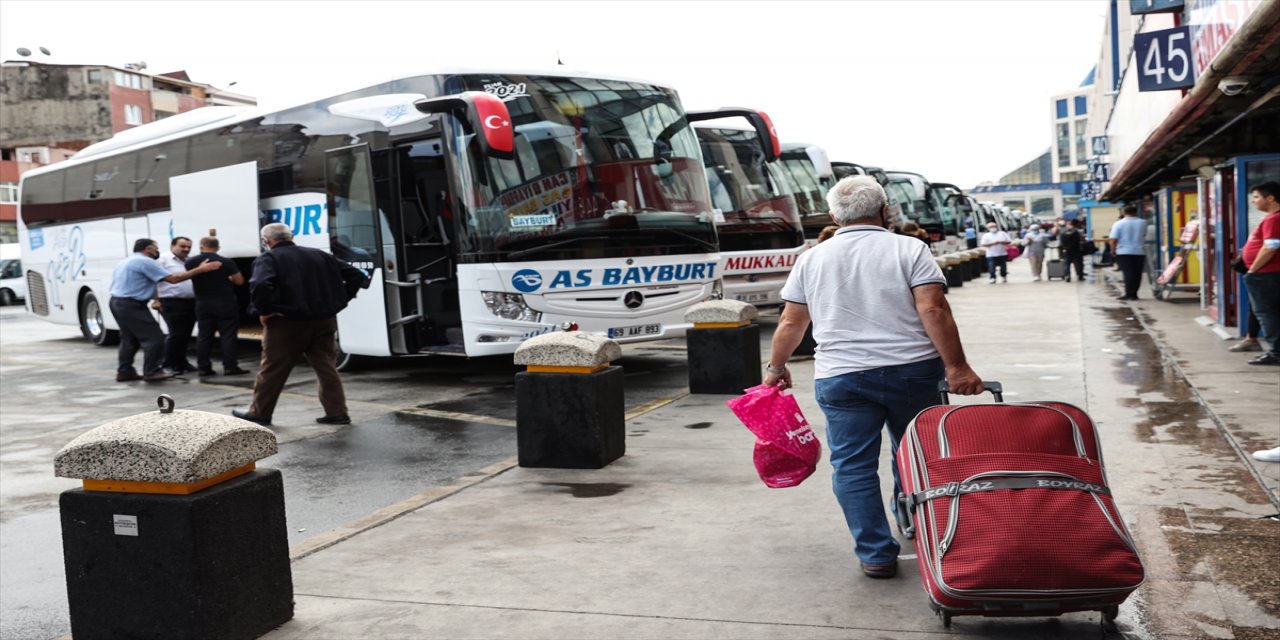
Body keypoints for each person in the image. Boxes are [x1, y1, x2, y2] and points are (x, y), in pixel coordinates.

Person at [764, 175, 983, 580]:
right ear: (886, 210)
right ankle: (919, 523)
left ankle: (875, 553)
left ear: (833, 215)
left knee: (852, 465)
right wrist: (957, 367)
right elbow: (934, 310)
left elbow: (791, 322)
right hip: (913, 372)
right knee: (916, 452)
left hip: (842, 377)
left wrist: (776, 370)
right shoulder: (910, 248)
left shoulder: (813, 258)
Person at [233, 223, 370, 426]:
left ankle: (260, 412)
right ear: (291, 236)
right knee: (326, 367)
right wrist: (339, 302)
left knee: (272, 369)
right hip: (324, 321)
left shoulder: (268, 258)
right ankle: (337, 412)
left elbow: (261, 284)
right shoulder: (319, 255)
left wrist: (264, 311)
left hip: (286, 323)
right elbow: (357, 276)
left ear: (266, 241)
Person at [109, 239, 218, 382]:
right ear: (148, 249)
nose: (157, 251)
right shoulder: (145, 261)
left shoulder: (128, 260)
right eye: (155, 248)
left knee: (130, 339)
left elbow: (147, 283)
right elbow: (172, 279)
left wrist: (156, 298)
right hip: (131, 305)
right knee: (154, 338)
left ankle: (125, 371)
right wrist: (201, 269)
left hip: (118, 302)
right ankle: (152, 371)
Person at [186, 236, 248, 376]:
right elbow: (239, 281)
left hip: (202, 303)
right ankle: (230, 367)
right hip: (225, 303)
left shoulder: (190, 262)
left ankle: (203, 367)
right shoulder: (226, 262)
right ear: (218, 248)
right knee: (228, 336)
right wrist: (228, 278)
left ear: (201, 247)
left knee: (204, 336)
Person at [1241, 181, 1280, 366]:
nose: (1253, 201)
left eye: (1256, 197)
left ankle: (1276, 352)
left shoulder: (1274, 219)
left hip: (1266, 274)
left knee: (1267, 314)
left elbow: (1271, 246)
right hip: (1270, 274)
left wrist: (1252, 270)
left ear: (1270, 198)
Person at [155, 236, 199, 374]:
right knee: (175, 334)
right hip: (170, 301)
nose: (186, 249)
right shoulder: (162, 260)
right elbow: (152, 280)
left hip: (190, 302)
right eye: (183, 246)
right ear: (172, 246)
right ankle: (168, 364)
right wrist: (156, 300)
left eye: (188, 247)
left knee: (185, 334)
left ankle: (181, 362)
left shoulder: (189, 260)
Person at [1109, 205, 1148, 300]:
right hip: (1139, 251)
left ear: (1123, 213)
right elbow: (1143, 235)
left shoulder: (1118, 223)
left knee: (1128, 273)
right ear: (1135, 212)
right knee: (1137, 273)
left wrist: (1113, 250)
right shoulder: (1143, 222)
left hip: (1123, 252)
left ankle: (1129, 294)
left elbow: (1113, 239)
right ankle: (1134, 293)